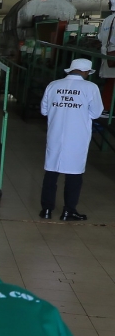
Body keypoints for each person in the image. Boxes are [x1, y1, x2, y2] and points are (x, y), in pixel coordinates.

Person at [40, 59, 104, 221]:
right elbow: (96, 113)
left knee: (51, 172)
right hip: (77, 136)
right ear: (86, 72)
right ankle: (68, 211)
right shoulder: (91, 88)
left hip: (55, 133)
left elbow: (44, 110)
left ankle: (46, 210)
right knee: (74, 174)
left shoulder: (53, 85)